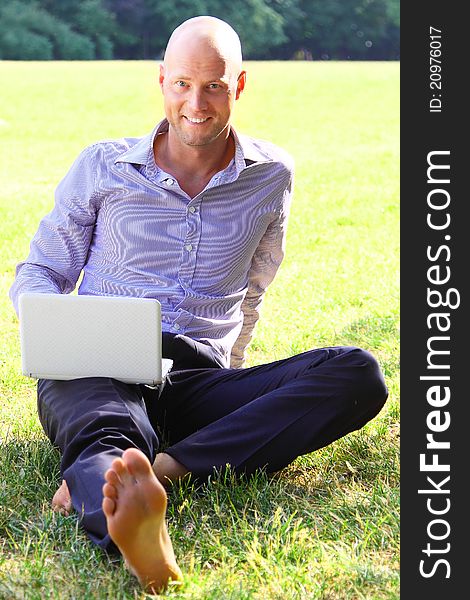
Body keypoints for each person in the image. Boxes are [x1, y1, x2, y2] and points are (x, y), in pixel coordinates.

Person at [9, 15, 388, 594]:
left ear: (238, 87)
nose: (196, 103)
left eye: (214, 85)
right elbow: (42, 269)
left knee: (357, 373)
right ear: (162, 81)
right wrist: (55, 327)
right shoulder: (104, 165)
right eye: (183, 84)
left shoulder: (270, 176)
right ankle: (129, 519)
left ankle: (160, 472)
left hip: (196, 376)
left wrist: (235, 392)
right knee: (107, 426)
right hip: (99, 355)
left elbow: (253, 289)